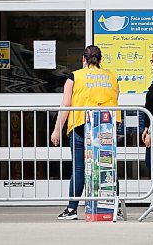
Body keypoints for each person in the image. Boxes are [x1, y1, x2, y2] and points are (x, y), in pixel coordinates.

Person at [51, 45, 120, 220]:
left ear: (83, 59)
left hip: (81, 126)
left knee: (79, 168)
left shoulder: (75, 76)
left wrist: (57, 130)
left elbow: (66, 105)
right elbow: (115, 98)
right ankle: (113, 208)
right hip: (106, 126)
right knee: (108, 167)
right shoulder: (111, 77)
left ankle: (72, 209)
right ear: (101, 60)